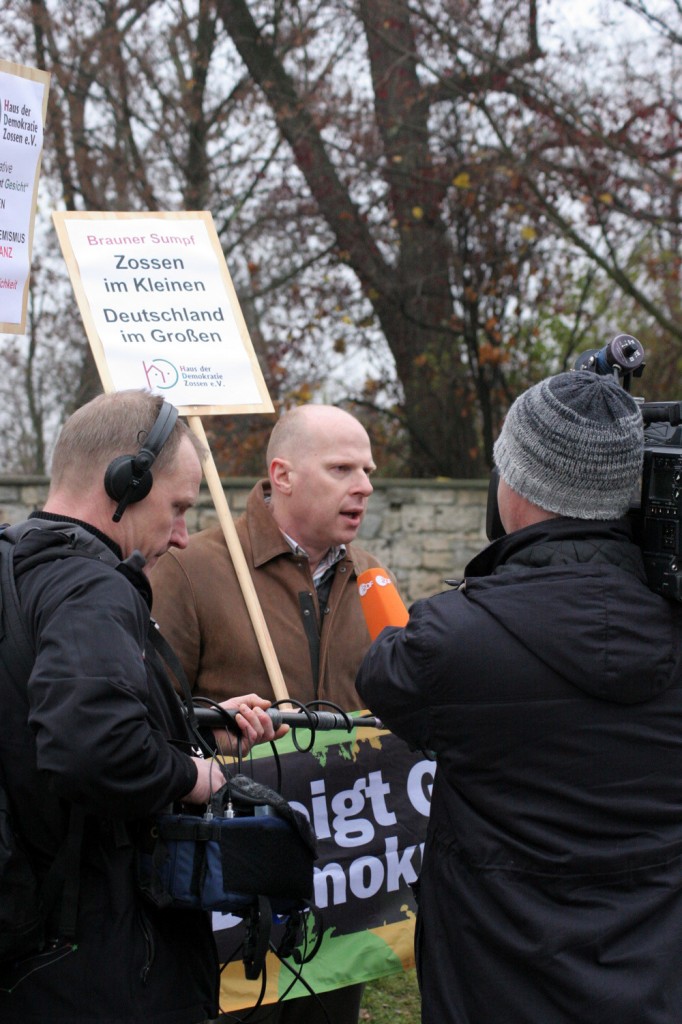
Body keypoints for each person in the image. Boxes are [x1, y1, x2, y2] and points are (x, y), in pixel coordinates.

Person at [356, 370, 682, 1024]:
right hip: (653, 987)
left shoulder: (452, 642)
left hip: (492, 985)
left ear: (511, 483)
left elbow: (382, 675)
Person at [0, 390, 284, 1024]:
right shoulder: (91, 584)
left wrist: (190, 724)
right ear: (125, 482)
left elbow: (33, 709)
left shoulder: (18, 566)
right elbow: (90, 744)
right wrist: (193, 776)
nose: (184, 536)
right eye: (179, 507)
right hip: (98, 961)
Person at [150, 403, 394, 1024]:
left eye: (366, 469)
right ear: (281, 475)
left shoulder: (374, 582)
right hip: (229, 893)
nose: (364, 485)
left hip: (342, 885)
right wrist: (218, 740)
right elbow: (148, 720)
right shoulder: (189, 570)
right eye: (341, 468)